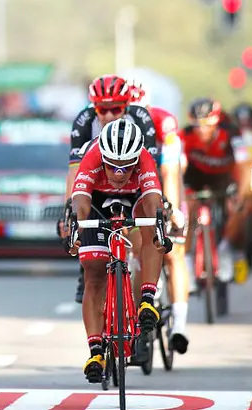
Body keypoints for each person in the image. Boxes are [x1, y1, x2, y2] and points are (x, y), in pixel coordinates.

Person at [67, 119, 169, 383]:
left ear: (137, 157)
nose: (120, 173)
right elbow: (80, 201)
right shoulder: (93, 154)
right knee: (94, 271)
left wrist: (160, 227)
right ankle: (96, 351)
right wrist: (77, 227)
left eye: (127, 166)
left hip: (134, 200)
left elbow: (152, 200)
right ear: (103, 156)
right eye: (113, 166)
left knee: (151, 231)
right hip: (97, 201)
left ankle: (147, 299)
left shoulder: (144, 158)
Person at [63, 74, 158, 304]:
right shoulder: (84, 121)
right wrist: (69, 214)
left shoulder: (141, 118)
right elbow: (76, 174)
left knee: (143, 239)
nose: (107, 116)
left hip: (134, 184)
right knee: (83, 219)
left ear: (126, 106)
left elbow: (154, 170)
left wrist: (161, 206)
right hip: (97, 186)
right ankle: (88, 272)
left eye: (115, 110)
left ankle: (144, 298)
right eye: (101, 110)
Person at [125, 78, 190, 353]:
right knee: (138, 248)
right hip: (132, 189)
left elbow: (170, 172)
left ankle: (180, 326)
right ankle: (140, 313)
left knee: (174, 253)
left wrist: (172, 210)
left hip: (162, 184)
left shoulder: (164, 122)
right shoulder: (117, 126)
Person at [179, 98, 242, 283]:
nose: (202, 129)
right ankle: (188, 261)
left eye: (207, 124)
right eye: (197, 124)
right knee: (187, 211)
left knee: (237, 209)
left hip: (224, 177)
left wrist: (242, 193)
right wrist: (181, 195)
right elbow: (177, 168)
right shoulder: (185, 135)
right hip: (195, 177)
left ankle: (225, 248)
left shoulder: (231, 133)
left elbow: (244, 164)